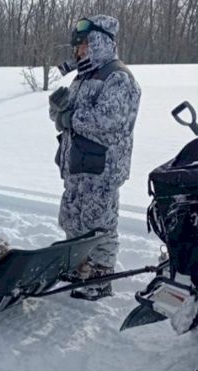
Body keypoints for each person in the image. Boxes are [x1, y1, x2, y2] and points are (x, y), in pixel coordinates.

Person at [48, 15, 141, 301]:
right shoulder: (84, 77)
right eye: (77, 47)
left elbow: (108, 121)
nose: (78, 52)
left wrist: (70, 117)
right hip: (78, 165)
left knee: (99, 223)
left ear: (98, 43)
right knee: (72, 218)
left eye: (83, 46)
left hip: (102, 169)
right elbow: (66, 116)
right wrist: (57, 111)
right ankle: (80, 268)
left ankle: (100, 277)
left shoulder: (118, 77)